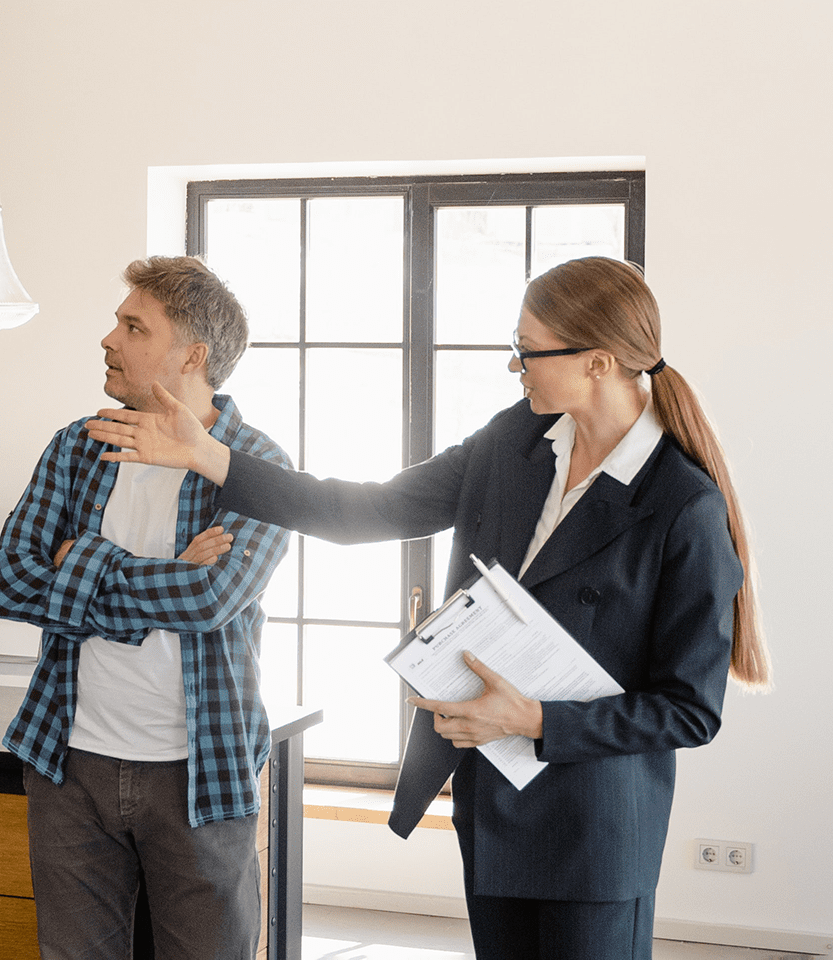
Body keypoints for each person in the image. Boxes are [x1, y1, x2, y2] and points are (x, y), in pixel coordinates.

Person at [84, 256, 768, 960]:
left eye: (527, 351)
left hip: (595, 828)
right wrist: (212, 458)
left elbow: (689, 709)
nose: (515, 367)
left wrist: (532, 718)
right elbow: (369, 510)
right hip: (493, 799)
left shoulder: (681, 505)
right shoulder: (516, 441)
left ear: (598, 362)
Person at [0, 256, 292, 960]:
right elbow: (10, 582)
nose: (108, 339)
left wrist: (81, 561)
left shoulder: (255, 466)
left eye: (133, 326)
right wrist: (161, 575)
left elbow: (210, 598)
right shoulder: (78, 446)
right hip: (68, 761)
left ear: (193, 355)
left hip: (200, 767)